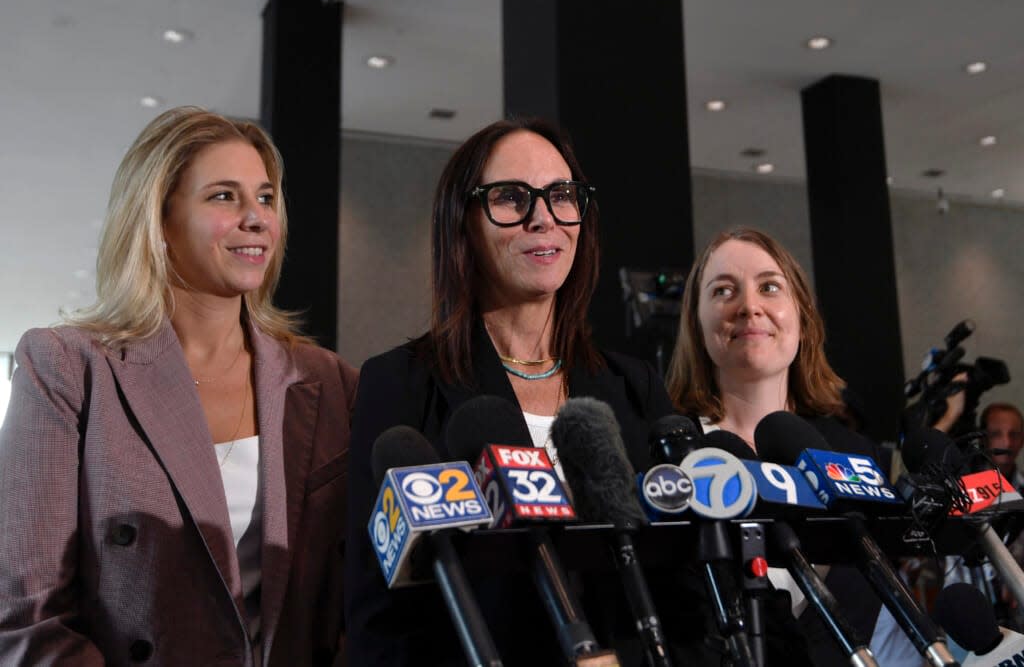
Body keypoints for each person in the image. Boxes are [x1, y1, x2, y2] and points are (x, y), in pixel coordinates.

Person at [343, 117, 738, 665]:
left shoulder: (636, 386)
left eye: (560, 195)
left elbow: (689, 594)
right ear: (463, 221)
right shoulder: (400, 384)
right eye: (511, 197)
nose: (543, 218)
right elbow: (379, 618)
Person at [0, 106, 358, 666]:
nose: (256, 217)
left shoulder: (329, 382)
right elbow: (27, 615)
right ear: (160, 221)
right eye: (223, 197)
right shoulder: (68, 366)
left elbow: (353, 602)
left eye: (265, 198)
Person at [665, 226, 892, 666]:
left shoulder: (856, 457)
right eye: (723, 291)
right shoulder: (668, 456)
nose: (750, 307)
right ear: (695, 322)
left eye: (770, 287)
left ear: (802, 314)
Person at [980, 402, 1024, 488]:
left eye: (1014, 434)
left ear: (1022, 440)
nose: (1007, 443)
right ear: (983, 439)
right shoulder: (963, 485)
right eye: (996, 434)